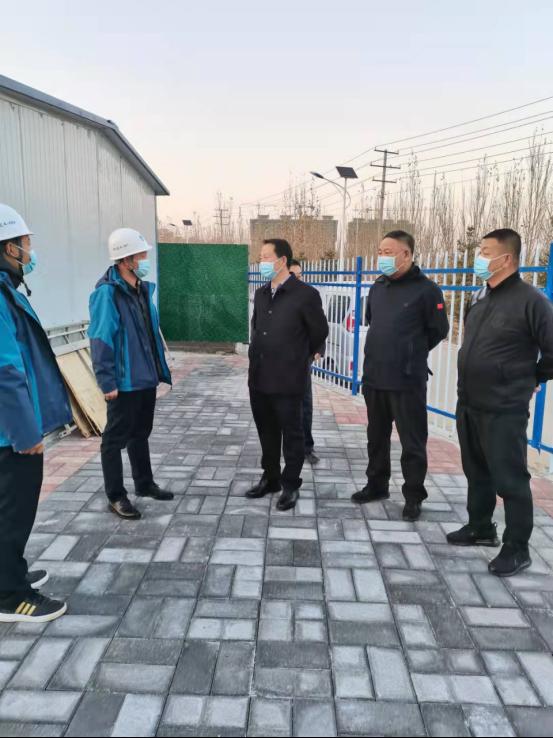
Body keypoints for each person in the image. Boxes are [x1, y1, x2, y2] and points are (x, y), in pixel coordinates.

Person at [447, 228, 553, 577]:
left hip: (504, 407)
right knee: (476, 471)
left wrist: (532, 378)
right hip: (469, 402)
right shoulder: (481, 297)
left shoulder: (531, 301)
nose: (478, 257)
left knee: (510, 479)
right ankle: (480, 527)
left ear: (506, 258)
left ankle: (517, 548)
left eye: (485, 251)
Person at [0, 203, 71, 622]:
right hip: (10, 434)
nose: (30, 251)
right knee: (13, 511)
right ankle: (9, 595)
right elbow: (5, 369)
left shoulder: (7, 290)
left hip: (9, 429)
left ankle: (10, 572)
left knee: (9, 509)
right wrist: (26, 434)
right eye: (25, 243)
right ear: (9, 247)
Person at [351, 230, 449, 521]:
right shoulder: (378, 287)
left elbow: (438, 330)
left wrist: (411, 352)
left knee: (412, 442)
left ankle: (413, 496)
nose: (382, 257)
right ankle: (376, 485)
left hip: (407, 381)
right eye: (380, 252)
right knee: (376, 437)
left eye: (388, 252)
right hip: (375, 377)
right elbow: (373, 322)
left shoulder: (427, 290)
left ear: (406, 254)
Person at [89, 228, 173, 520]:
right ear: (125, 260)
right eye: (141, 254)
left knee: (140, 433)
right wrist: (106, 380)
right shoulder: (107, 294)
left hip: (145, 377)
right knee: (113, 440)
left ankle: (144, 483)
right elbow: (100, 338)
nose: (145, 258)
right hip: (123, 382)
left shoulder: (141, 289)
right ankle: (116, 495)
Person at [246, 239, 329, 511]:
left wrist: (298, 357)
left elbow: (319, 331)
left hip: (289, 379)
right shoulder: (261, 294)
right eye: (260, 257)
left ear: (282, 261)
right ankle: (270, 477)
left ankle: (290, 484)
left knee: (292, 434)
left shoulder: (305, 294)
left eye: (266, 257)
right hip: (260, 377)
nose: (261, 262)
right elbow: (256, 327)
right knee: (266, 432)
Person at [289, 259, 324, 465]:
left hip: (301, 362)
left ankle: (307, 447)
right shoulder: (272, 296)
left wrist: (318, 349)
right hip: (277, 364)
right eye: (293, 275)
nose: (297, 279)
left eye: (300, 276)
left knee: (305, 406)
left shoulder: (308, 296)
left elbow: (319, 326)